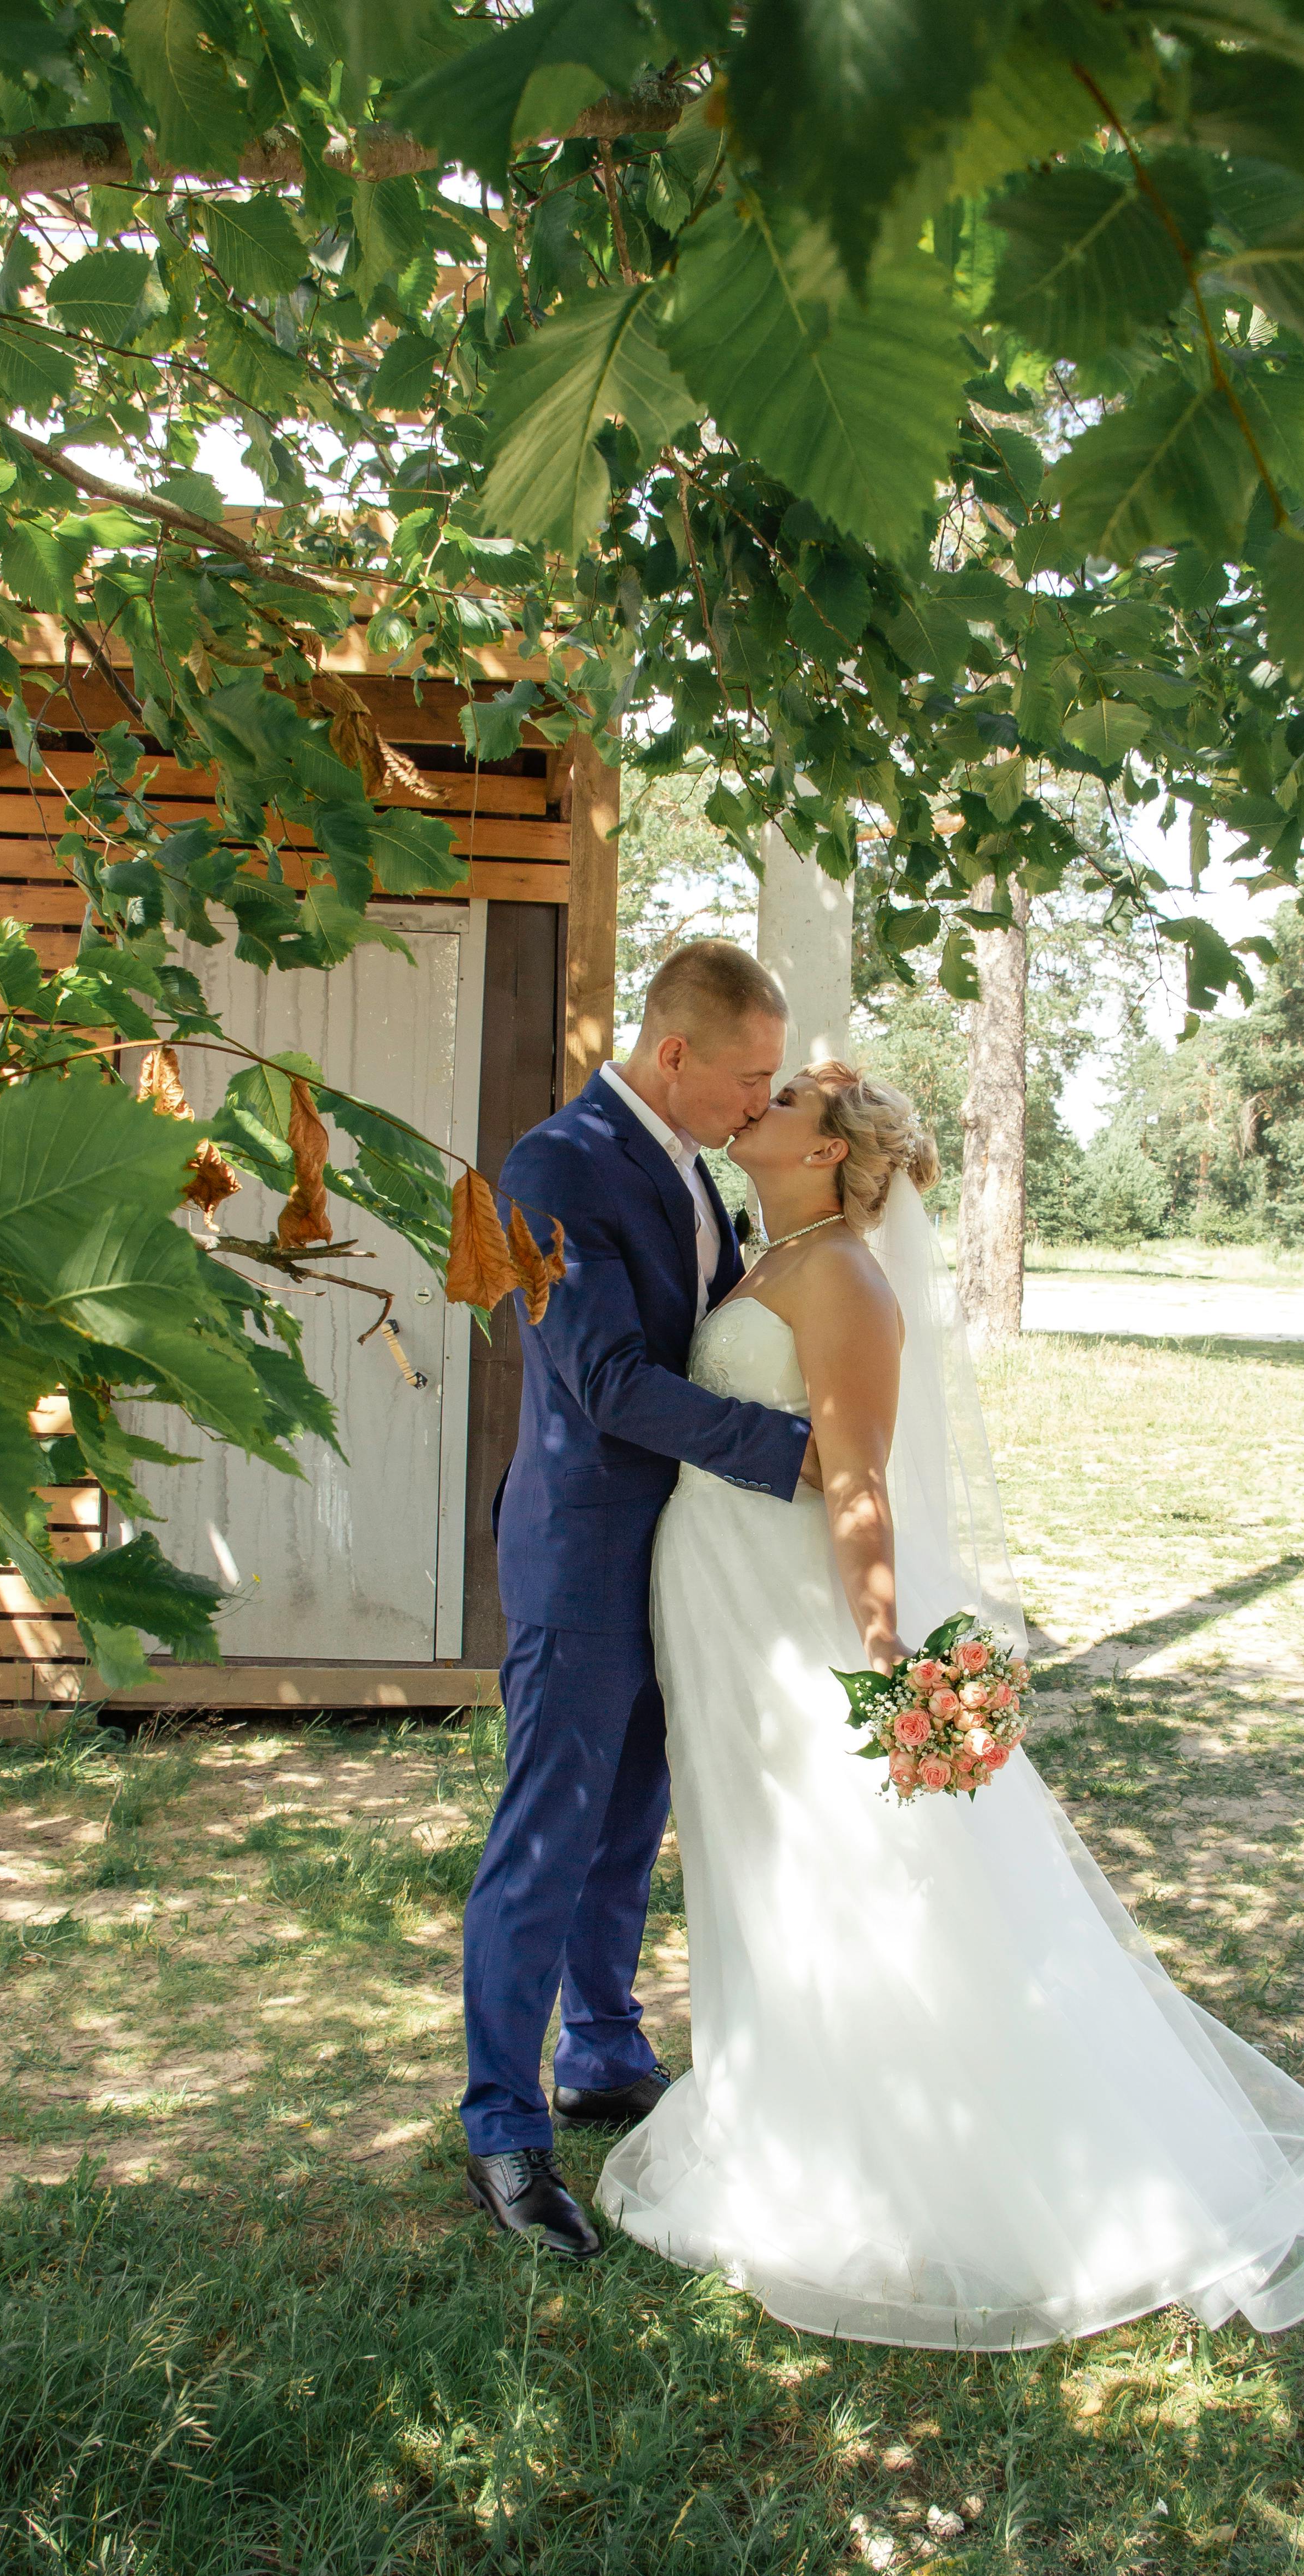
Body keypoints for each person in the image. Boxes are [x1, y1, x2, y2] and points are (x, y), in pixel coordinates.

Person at [595, 1061, 1304, 2346]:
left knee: (851, 1876)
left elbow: (860, 1486)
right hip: (724, 1620)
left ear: (828, 1150)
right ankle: (787, 2110)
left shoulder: (844, 1277)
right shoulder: (769, 1252)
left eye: (785, 1098)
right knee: (755, 1866)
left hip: (798, 1632)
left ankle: (916, 2156)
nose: (759, 1104)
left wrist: (891, 1655)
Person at [459, 940, 816, 2260]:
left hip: (685, 1561)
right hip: (584, 1556)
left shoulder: (696, 1169)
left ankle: (602, 2049)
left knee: (631, 1822)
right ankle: (502, 2125)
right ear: (675, 1056)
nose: (758, 1105)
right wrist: (797, 1456)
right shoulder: (554, 1166)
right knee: (548, 1835)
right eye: (748, 1078)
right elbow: (606, 1378)